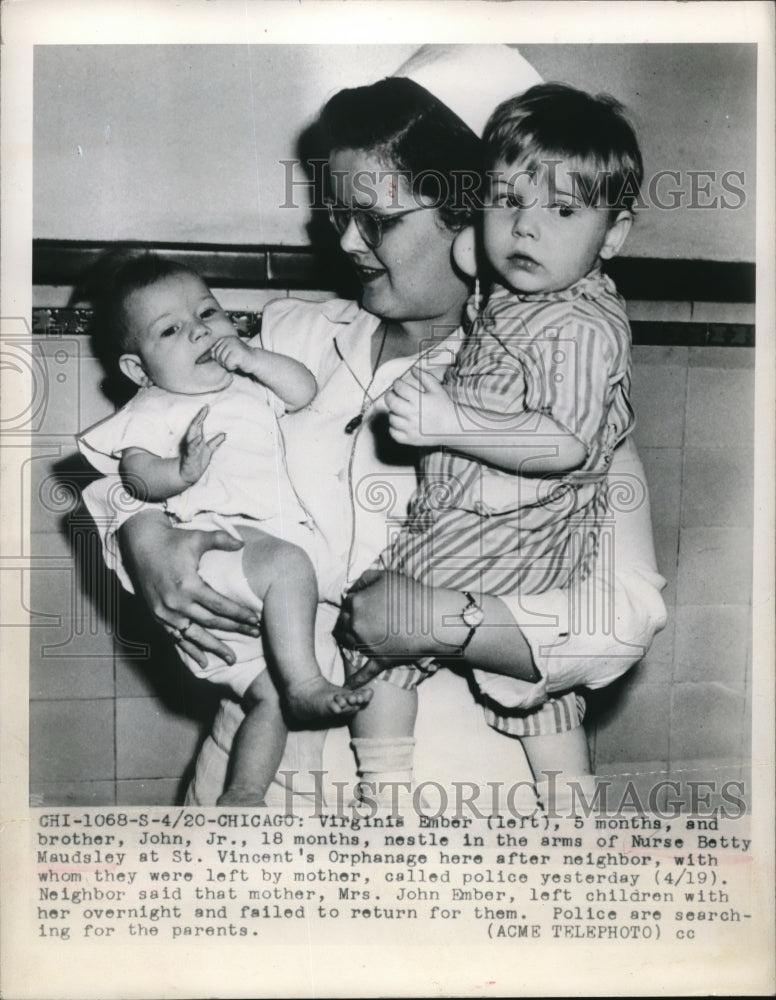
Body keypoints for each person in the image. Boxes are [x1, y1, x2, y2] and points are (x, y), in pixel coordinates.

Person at [83, 57, 666, 811]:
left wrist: (444, 625)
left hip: (449, 790)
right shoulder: (294, 337)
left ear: (470, 214)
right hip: (255, 776)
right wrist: (140, 539)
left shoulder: (556, 388)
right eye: (337, 214)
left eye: (380, 220)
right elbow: (133, 449)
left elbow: (624, 616)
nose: (349, 243)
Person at [344, 83, 643, 799]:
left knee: (512, 690)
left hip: (503, 540)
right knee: (538, 711)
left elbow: (568, 443)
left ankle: (398, 801)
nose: (526, 230)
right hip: (456, 525)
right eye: (507, 202)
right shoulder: (513, 294)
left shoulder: (584, 325)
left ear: (615, 233)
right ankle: (391, 799)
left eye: (564, 211)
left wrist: (450, 423)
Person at [78, 252, 371, 806]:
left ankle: (243, 792)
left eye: (208, 313)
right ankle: (307, 685)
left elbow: (303, 390)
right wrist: (178, 474)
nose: (199, 331)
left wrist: (256, 359)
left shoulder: (247, 383)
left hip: (261, 569)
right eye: (171, 330)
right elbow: (134, 476)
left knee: (266, 694)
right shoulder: (154, 407)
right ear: (138, 370)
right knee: (290, 568)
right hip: (219, 549)